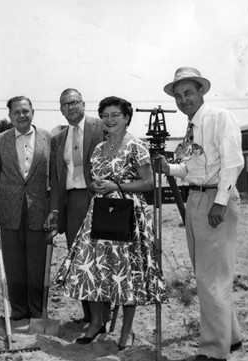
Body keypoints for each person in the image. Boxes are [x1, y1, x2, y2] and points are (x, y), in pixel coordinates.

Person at [54, 96, 167, 348]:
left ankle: (126, 332)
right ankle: (95, 323)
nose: (109, 120)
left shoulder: (136, 146)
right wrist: (96, 186)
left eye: (116, 115)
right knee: (92, 267)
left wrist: (117, 185)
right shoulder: (98, 149)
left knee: (127, 272)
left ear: (127, 118)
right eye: (105, 115)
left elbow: (148, 183)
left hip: (128, 213)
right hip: (101, 212)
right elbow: (94, 181)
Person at [160, 67, 244, 361]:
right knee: (208, 273)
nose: (183, 100)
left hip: (214, 200)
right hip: (195, 197)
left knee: (212, 278)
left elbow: (233, 162)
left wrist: (220, 202)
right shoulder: (191, 127)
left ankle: (214, 354)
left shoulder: (220, 117)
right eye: (178, 96)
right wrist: (168, 168)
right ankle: (230, 337)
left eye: (189, 93)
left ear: (201, 92)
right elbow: (191, 168)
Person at [44, 88, 111, 327]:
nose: (70, 107)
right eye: (65, 104)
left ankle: (102, 317)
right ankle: (90, 314)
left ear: (83, 104)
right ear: (60, 109)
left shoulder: (100, 126)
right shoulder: (58, 139)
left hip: (98, 199)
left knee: (99, 257)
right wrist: (55, 209)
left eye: (74, 102)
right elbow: (55, 179)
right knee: (78, 257)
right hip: (71, 203)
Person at [0, 96, 52, 321]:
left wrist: (53, 209)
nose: (21, 115)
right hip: (8, 210)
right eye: (16, 112)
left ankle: (37, 310)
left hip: (39, 210)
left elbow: (55, 178)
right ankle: (19, 310)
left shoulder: (49, 138)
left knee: (37, 262)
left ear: (33, 111)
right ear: (10, 116)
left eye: (25, 111)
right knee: (13, 263)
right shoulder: (1, 140)